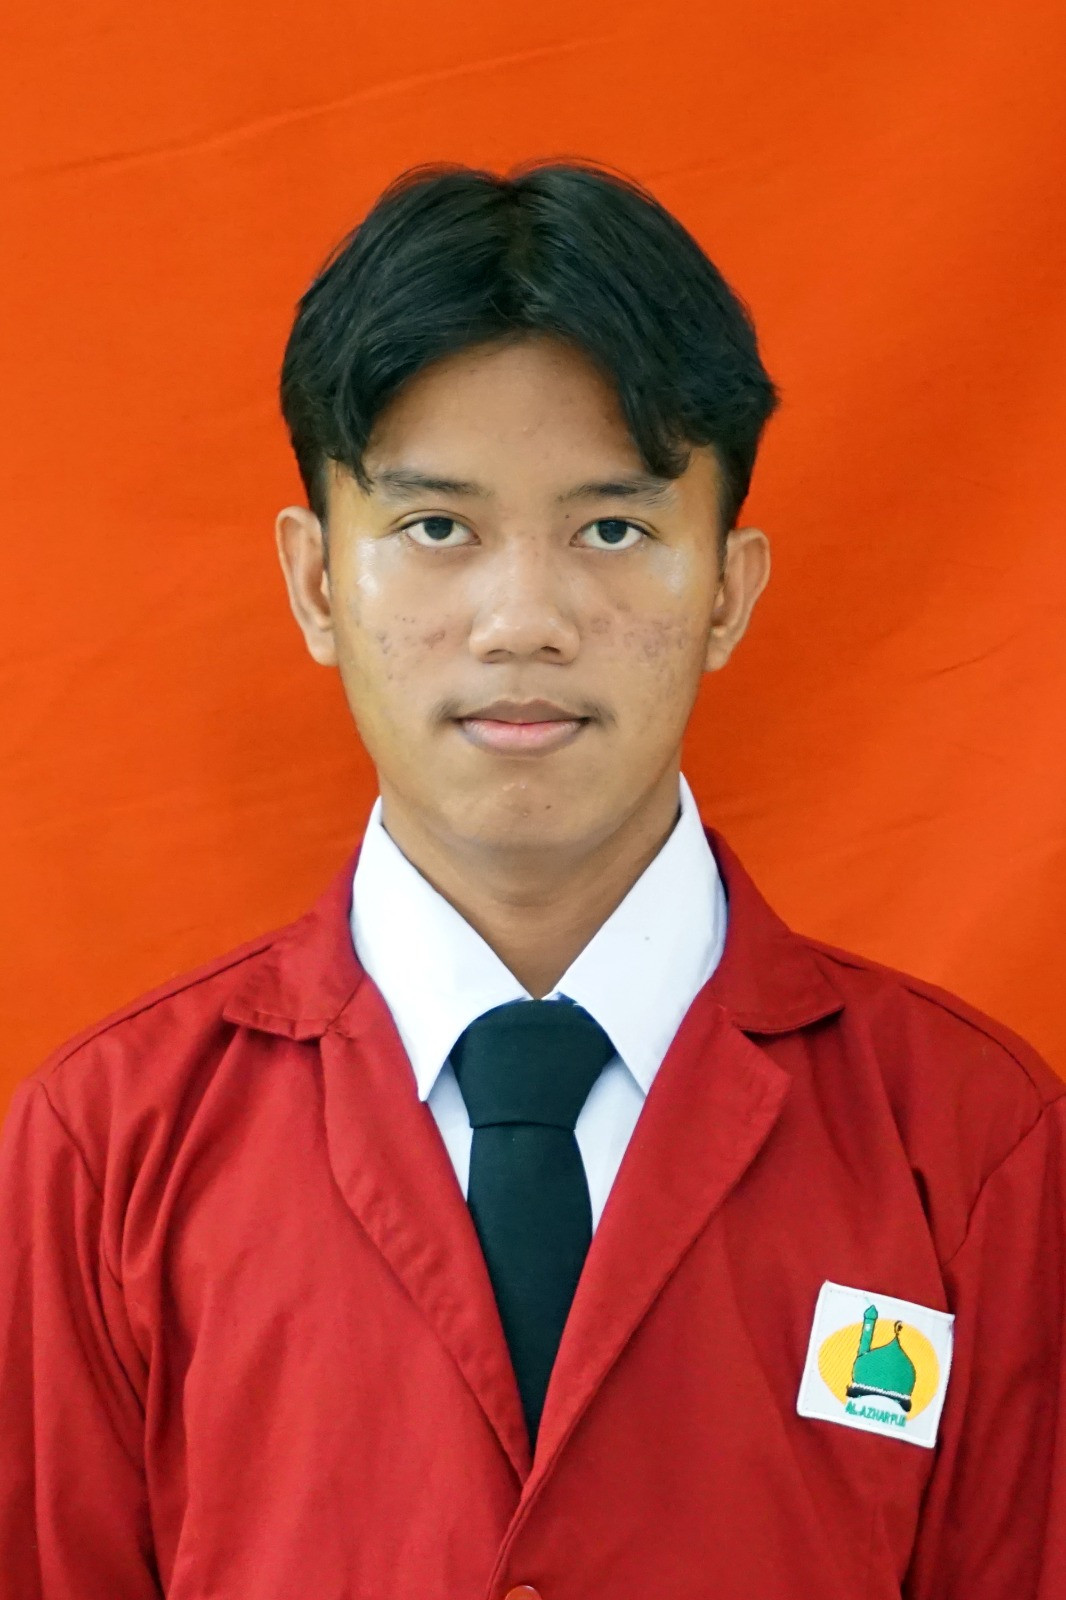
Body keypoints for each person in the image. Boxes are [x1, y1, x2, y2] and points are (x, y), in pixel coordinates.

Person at [0, 160, 1063, 1600]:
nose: (523, 621)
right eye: (436, 528)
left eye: (612, 530)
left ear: (728, 588)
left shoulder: (973, 1148)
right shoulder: (108, 1152)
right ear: (316, 583)